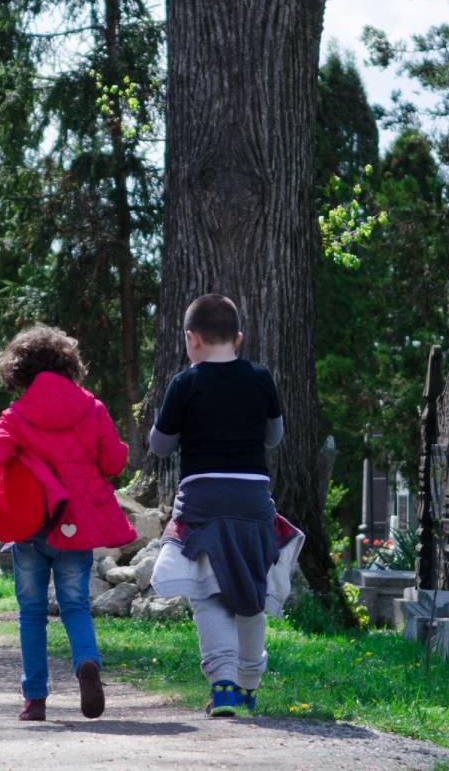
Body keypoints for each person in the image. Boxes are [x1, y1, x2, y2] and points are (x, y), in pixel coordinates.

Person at [0, 326, 136, 722]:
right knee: (75, 604)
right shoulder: (92, 408)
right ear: (68, 364)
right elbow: (113, 464)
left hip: (31, 525)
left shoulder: (17, 415)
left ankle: (35, 699)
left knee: (31, 611)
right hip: (77, 523)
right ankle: (86, 663)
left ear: (19, 370)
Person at [148, 294, 285, 717]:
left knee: (207, 595)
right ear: (238, 338)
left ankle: (222, 686)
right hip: (251, 501)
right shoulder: (261, 378)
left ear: (191, 339)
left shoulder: (184, 383)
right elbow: (274, 437)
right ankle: (248, 686)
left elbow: (160, 445)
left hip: (203, 503)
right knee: (251, 592)